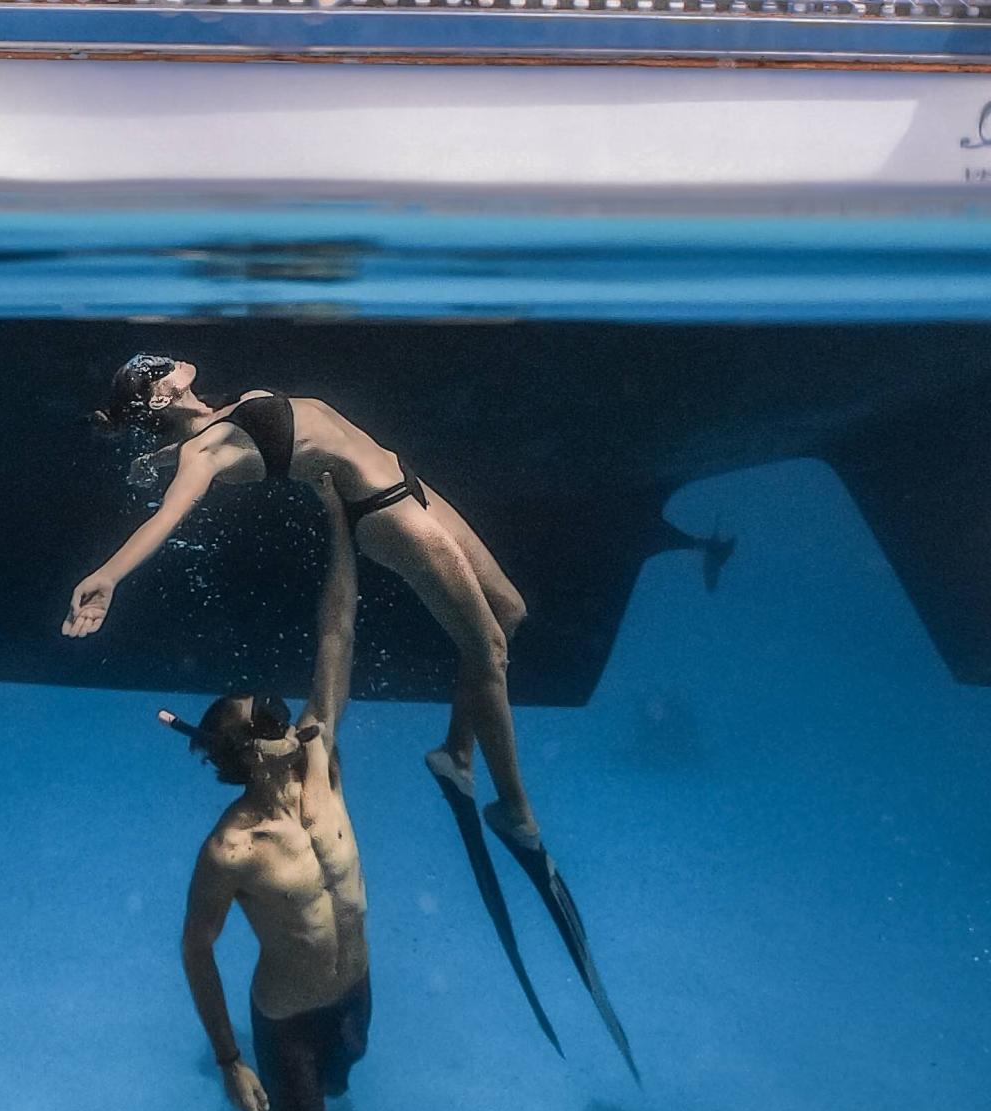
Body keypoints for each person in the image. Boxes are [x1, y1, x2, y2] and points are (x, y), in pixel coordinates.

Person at [67, 355, 643, 1072]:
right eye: (156, 366)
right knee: (488, 648)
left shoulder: (226, 412)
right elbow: (168, 519)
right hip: (383, 512)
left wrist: (148, 454)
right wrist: (107, 577)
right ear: (159, 393)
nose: (173, 358)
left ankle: (457, 754)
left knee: (511, 611)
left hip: (407, 480)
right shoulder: (203, 454)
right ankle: (514, 811)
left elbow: (232, 434)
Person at [171, 473, 369, 1111]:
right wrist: (230, 1059)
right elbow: (196, 947)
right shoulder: (231, 849)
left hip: (357, 996)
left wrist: (338, 517)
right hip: (287, 1023)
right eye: (268, 717)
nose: (286, 716)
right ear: (251, 752)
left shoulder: (321, 759)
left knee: (343, 1081)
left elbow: (337, 629)